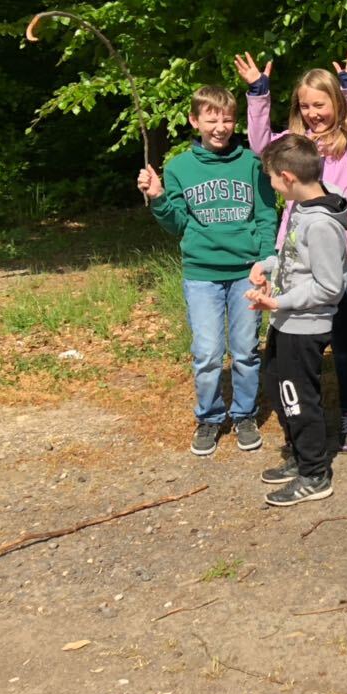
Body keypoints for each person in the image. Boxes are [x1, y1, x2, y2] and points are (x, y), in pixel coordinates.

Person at [237, 47, 347, 454]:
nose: (313, 113)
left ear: (336, 102)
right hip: (293, 253)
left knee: (341, 335)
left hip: (339, 255)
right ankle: (304, 411)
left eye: (320, 104)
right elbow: (260, 144)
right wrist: (258, 93)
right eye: (305, 106)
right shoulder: (294, 143)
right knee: (292, 338)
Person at [137, 86, 278, 457]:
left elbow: (266, 215)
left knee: (245, 350)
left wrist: (266, 261)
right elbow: (177, 224)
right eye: (211, 119)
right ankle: (210, 417)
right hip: (201, 274)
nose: (220, 127)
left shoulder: (253, 163)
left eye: (227, 119)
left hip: (247, 272)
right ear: (194, 120)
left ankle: (244, 415)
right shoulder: (178, 168)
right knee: (207, 352)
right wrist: (158, 198)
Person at [248, 134, 347, 506]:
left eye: (273, 179)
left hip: (304, 325)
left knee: (298, 400)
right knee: (277, 384)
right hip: (285, 320)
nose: (273, 186)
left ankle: (314, 474)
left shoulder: (321, 224)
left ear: (288, 178)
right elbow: (294, 259)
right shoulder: (303, 207)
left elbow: (329, 287)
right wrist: (267, 266)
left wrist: (277, 301)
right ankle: (299, 455)